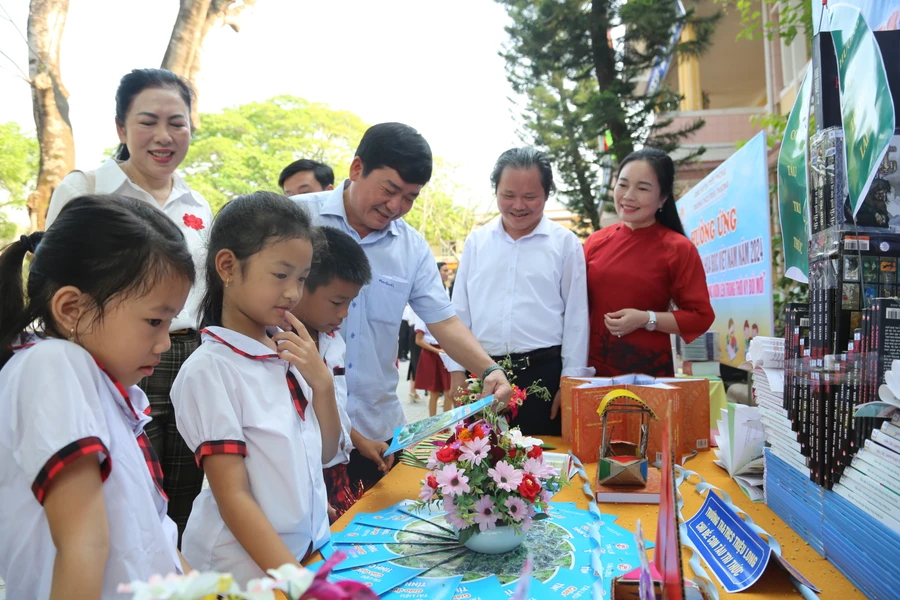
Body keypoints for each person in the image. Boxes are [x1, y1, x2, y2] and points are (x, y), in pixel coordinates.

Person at [291, 122, 512, 492]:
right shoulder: (296, 220)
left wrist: (489, 369)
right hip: (304, 424)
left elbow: (444, 322)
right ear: (357, 169)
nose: (396, 206)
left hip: (379, 434)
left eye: (410, 197)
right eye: (390, 190)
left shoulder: (411, 247)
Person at [45, 68, 213, 541]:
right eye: (147, 121)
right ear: (121, 128)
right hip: (113, 359)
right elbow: (55, 285)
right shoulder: (87, 189)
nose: (164, 136)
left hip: (190, 356)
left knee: (186, 487)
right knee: (130, 489)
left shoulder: (197, 202)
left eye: (177, 123)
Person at [0, 195, 194, 598]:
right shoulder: (54, 366)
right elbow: (84, 546)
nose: (164, 342)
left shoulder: (101, 382)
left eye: (171, 322)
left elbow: (151, 529)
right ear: (72, 309)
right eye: (154, 321)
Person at [171, 192, 341, 584]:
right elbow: (233, 498)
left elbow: (326, 453)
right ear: (228, 266)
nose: (293, 293)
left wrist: (323, 384)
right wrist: (300, 583)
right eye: (280, 275)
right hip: (243, 574)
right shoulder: (210, 370)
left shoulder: (289, 353)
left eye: (301, 278)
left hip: (300, 558)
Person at [446, 147, 592, 435]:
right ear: (496, 190)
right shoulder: (477, 242)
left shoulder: (565, 244)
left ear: (547, 194)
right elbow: (459, 311)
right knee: (479, 464)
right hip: (482, 373)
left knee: (542, 467)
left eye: (530, 197)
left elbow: (577, 317)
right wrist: (456, 370)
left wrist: (570, 382)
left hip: (542, 378)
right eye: (508, 195)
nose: (518, 205)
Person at [584, 148, 714, 377]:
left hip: (648, 377)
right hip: (593, 373)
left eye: (642, 188)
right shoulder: (595, 241)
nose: (628, 196)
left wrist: (646, 319)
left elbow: (700, 317)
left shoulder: (678, 248)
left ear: (662, 198)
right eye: (622, 185)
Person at [290, 226, 372, 522]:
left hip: (338, 469)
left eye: (350, 302)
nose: (345, 313)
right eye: (337, 302)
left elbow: (332, 407)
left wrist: (358, 439)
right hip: (302, 479)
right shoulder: (281, 349)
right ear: (300, 285)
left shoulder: (333, 340)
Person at [414, 310, 453, 416]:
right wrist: (438, 351)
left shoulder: (446, 314)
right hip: (431, 353)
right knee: (434, 391)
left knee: (448, 392)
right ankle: (433, 426)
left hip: (445, 352)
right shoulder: (422, 315)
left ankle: (446, 425)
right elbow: (418, 340)